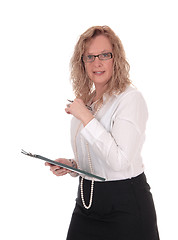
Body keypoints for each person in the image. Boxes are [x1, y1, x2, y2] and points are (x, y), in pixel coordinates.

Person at [45, 26, 160, 240]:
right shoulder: (87, 101)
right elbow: (98, 157)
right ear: (82, 63)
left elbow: (119, 161)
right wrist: (73, 166)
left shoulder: (129, 99)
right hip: (86, 203)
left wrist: (86, 119)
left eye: (104, 55)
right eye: (89, 57)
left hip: (125, 207)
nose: (97, 62)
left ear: (115, 59)